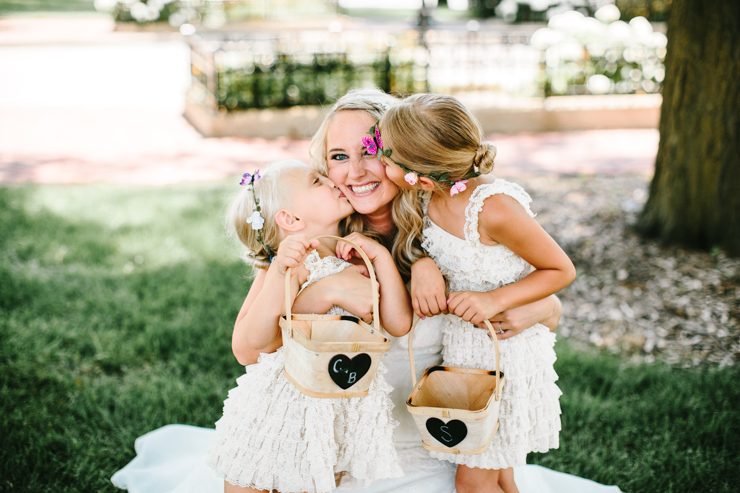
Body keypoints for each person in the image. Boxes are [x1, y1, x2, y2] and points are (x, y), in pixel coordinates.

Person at [112, 89, 622, 493]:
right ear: (323, 168)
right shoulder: (317, 236)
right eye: (338, 156)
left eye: (372, 152)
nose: (354, 171)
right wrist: (322, 290)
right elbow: (249, 348)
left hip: (431, 441)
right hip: (339, 443)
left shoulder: (447, 227)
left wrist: (533, 305)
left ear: (406, 156)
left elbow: (542, 301)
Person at [372, 93, 576, 493]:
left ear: (422, 177)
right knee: (497, 473)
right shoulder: (428, 197)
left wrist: (494, 300)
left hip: (504, 355)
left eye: (385, 157)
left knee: (472, 482)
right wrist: (422, 263)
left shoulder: (492, 208)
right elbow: (418, 244)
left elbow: (560, 269)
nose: (379, 162)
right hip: (466, 351)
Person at [206, 159, 411, 493]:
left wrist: (381, 259)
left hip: (336, 408)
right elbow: (255, 342)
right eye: (317, 181)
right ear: (291, 219)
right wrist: (280, 275)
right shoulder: (292, 264)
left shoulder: (359, 254)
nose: (331, 181)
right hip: (277, 409)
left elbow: (399, 324)